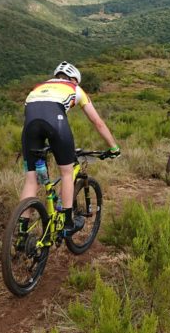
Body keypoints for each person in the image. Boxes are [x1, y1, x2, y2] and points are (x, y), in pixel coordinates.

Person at [21, 62, 120, 232]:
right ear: (74, 79)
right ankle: (67, 223)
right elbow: (98, 122)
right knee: (67, 173)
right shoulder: (75, 88)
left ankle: (21, 230)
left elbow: (34, 116)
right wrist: (113, 147)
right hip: (56, 124)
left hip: (30, 128)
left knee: (32, 180)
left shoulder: (37, 88)